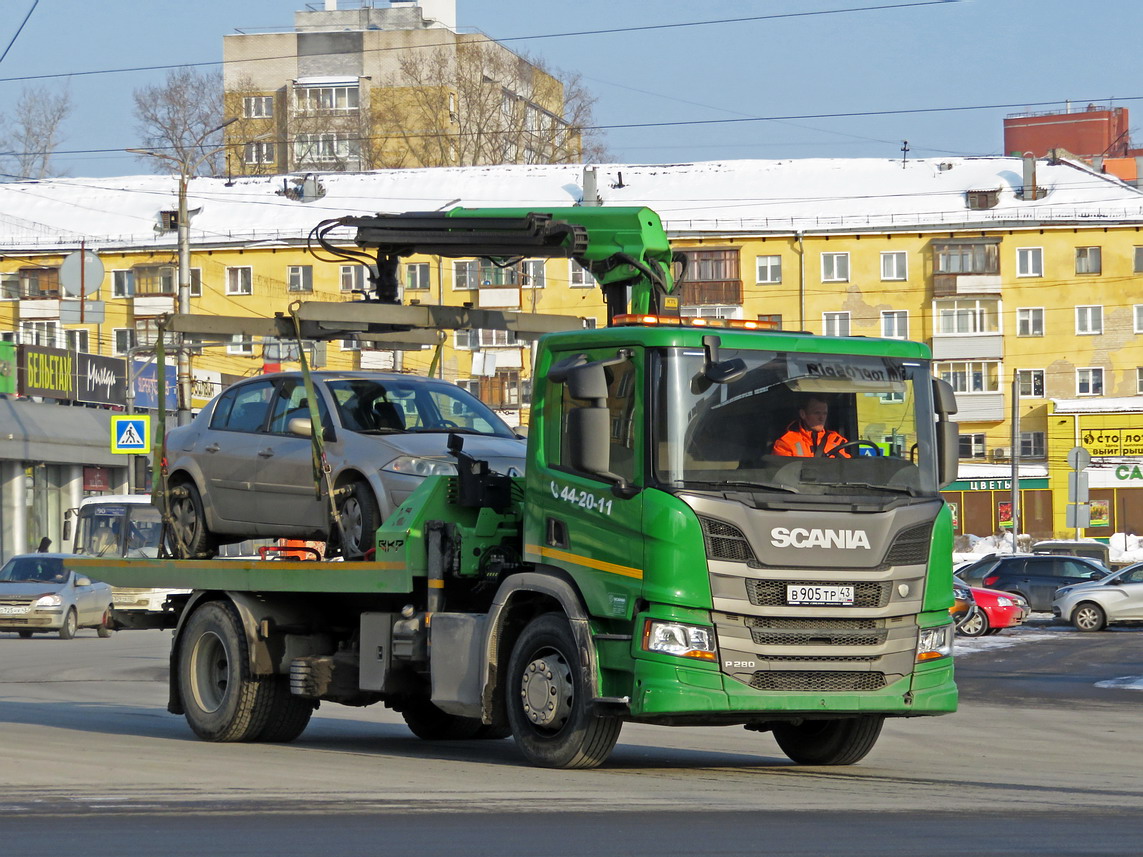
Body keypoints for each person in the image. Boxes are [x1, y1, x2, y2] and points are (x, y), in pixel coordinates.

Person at [772, 395, 850, 457]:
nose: (821, 418)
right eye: (817, 413)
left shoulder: (838, 441)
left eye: (824, 413)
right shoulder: (786, 443)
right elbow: (782, 474)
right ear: (803, 414)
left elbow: (849, 469)